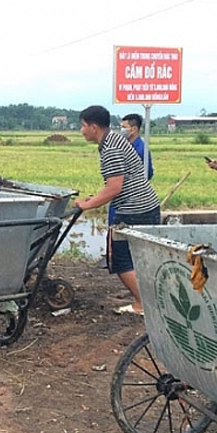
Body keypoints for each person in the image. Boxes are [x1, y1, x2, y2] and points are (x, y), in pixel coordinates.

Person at [73, 105, 161, 315]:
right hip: (147, 205)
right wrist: (95, 197)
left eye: (83, 126)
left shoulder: (110, 149)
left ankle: (142, 305)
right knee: (141, 258)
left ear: (94, 127)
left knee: (120, 260)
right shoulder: (115, 139)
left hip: (133, 209)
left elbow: (115, 187)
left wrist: (88, 204)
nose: (81, 130)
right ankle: (150, 298)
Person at [98, 112, 155, 268]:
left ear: (134, 129)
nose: (120, 130)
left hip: (132, 201)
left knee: (127, 244)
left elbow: (147, 174)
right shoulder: (123, 144)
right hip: (120, 200)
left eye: (124, 127)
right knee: (115, 233)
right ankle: (112, 259)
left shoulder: (141, 148)